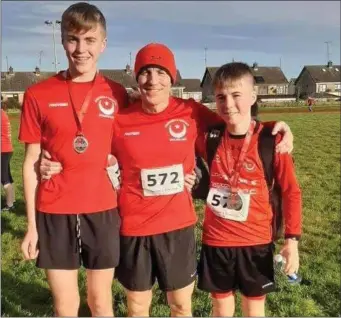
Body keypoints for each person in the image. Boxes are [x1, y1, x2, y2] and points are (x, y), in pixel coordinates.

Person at [40, 43, 294, 317]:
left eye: (161, 73)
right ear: (137, 78)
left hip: (178, 228)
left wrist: (274, 129)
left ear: (172, 78)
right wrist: (53, 161)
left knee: (181, 306)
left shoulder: (190, 111)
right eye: (145, 72)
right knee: (137, 307)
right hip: (133, 228)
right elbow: (86, 147)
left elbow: (236, 124)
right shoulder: (119, 119)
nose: (153, 80)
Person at [18, 2, 128, 316]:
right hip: (54, 212)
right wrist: (31, 226)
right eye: (72, 39)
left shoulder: (118, 93)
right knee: (66, 305)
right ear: (63, 39)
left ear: (103, 44)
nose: (80, 49)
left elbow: (149, 131)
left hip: (103, 210)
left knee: (100, 301)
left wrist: (273, 127)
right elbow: (30, 163)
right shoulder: (37, 94)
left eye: (89, 40)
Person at [196, 62, 302, 317]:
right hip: (217, 240)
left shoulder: (271, 141)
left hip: (256, 240)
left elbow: (291, 192)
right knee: (221, 309)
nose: (228, 104)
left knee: (254, 309)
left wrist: (292, 241)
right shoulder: (207, 138)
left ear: (253, 97)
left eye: (236, 95)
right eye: (221, 97)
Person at [1, 99, 15, 212]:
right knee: (7, 176)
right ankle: (12, 201)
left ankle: (9, 205)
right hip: (7, 149)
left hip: (2, 150)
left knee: (3, 177)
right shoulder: (3, 113)